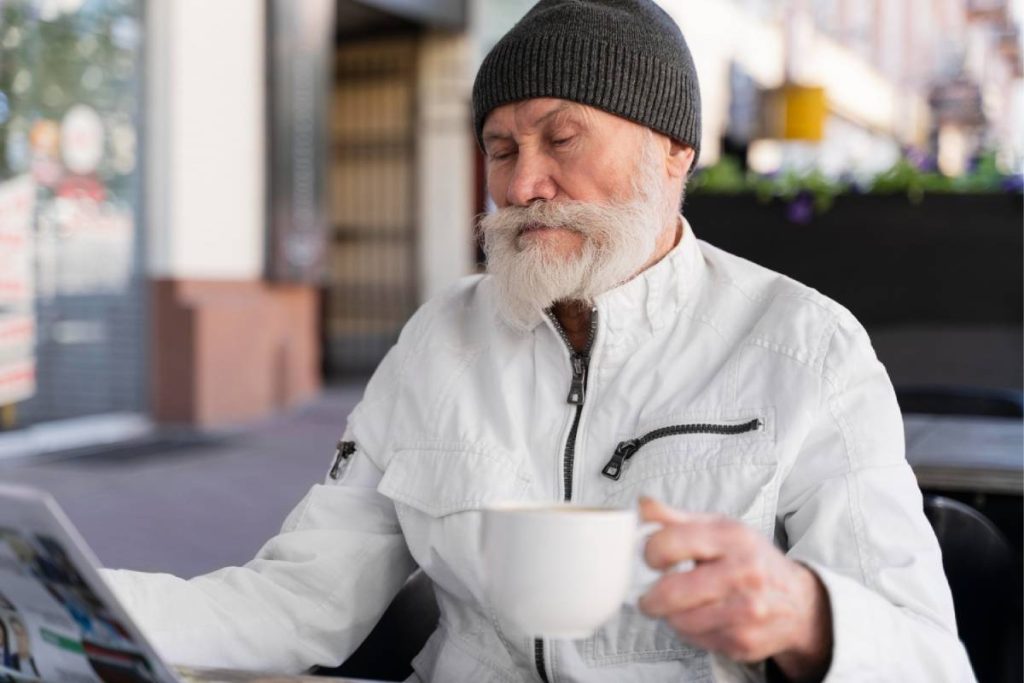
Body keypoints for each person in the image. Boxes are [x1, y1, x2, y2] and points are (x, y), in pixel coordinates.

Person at [103, 1, 973, 680]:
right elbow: (298, 601)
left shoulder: (806, 348)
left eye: (562, 138)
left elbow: (928, 660)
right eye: (498, 146)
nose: (522, 183)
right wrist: (74, 601)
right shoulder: (439, 337)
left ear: (674, 151)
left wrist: (803, 615)